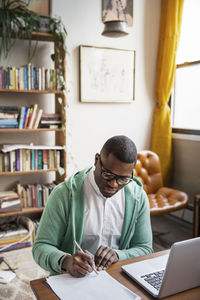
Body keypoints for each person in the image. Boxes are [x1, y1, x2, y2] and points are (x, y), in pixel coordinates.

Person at [32, 135, 153, 277]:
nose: (113, 184)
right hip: (70, 279)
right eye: (108, 174)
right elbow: (40, 247)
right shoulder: (63, 194)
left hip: (116, 278)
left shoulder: (138, 197)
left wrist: (118, 255)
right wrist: (66, 261)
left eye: (123, 179)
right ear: (97, 160)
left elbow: (145, 248)